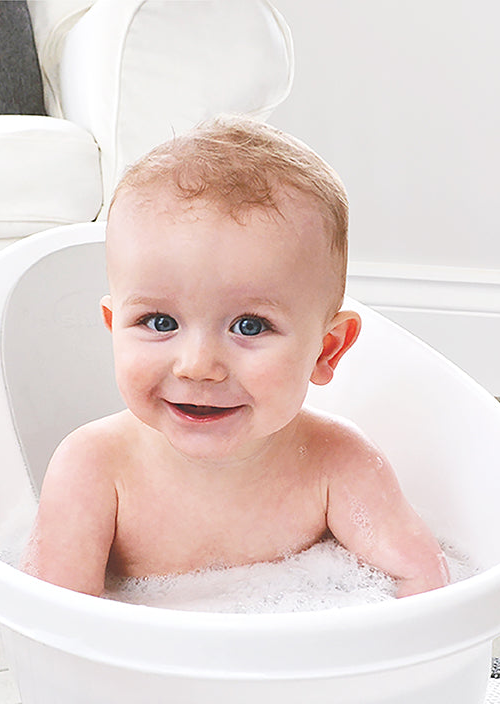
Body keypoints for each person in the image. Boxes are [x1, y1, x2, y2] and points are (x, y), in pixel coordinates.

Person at [22, 116, 449, 599]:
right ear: (113, 328)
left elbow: (428, 587)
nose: (197, 364)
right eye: (160, 322)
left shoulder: (338, 465)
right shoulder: (93, 470)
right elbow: (56, 627)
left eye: (249, 326)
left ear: (326, 350)